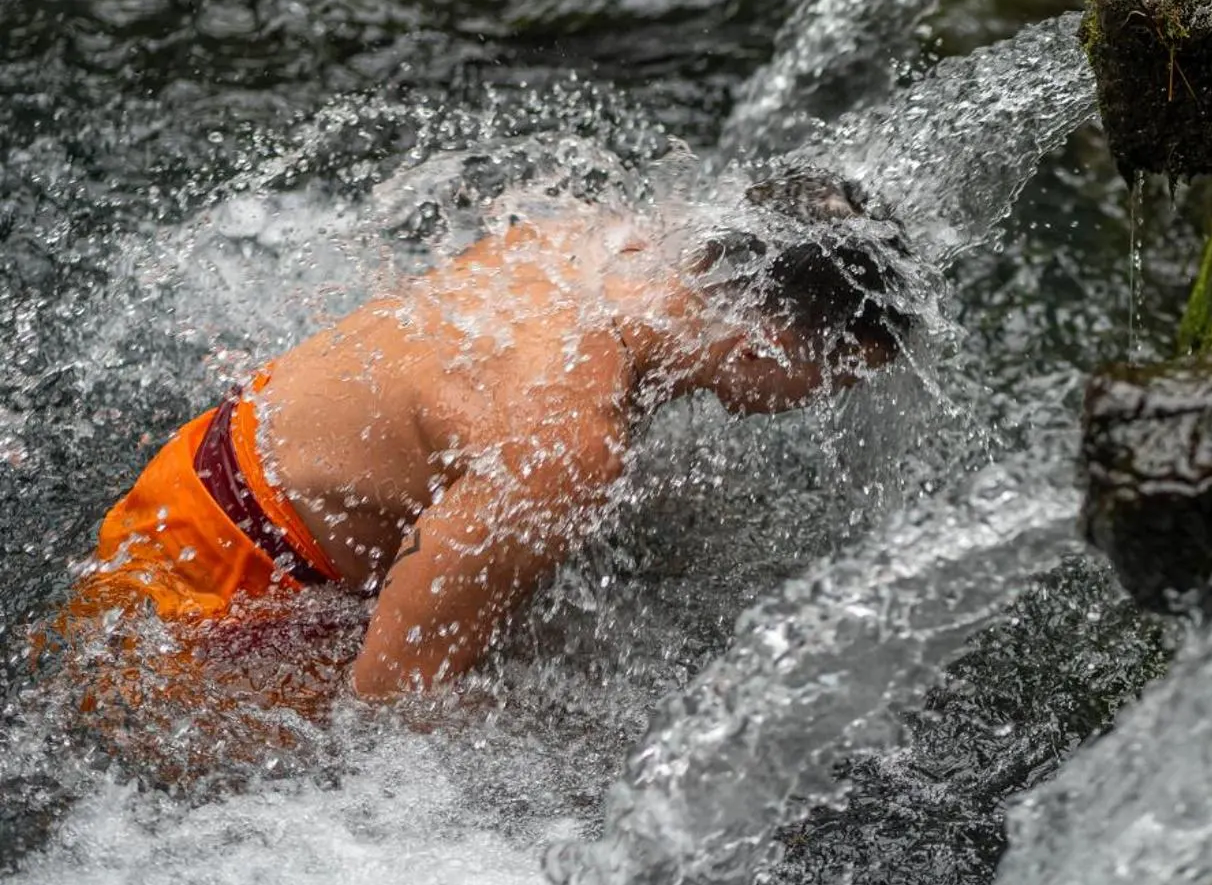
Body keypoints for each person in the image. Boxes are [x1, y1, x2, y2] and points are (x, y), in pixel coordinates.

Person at [58, 169, 913, 701]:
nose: (818, 405)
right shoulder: (565, 445)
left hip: (206, 457)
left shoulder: (607, 241)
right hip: (214, 601)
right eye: (834, 380)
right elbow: (391, 699)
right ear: (769, 345)